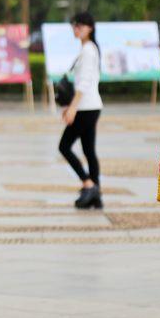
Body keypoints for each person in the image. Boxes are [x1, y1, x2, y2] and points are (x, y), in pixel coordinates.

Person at [58, 12, 104, 210]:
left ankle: (88, 184)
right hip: (91, 106)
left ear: (90, 28)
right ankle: (95, 195)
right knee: (88, 150)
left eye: (81, 26)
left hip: (86, 108)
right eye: (75, 26)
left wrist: (72, 109)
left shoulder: (88, 50)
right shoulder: (90, 49)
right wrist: (72, 106)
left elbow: (83, 84)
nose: (77, 29)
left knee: (64, 146)